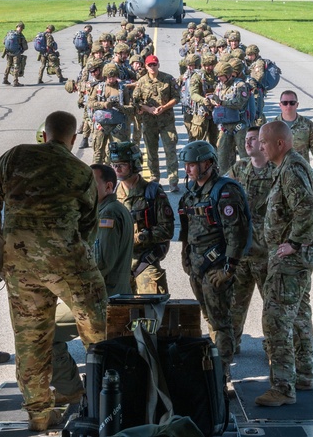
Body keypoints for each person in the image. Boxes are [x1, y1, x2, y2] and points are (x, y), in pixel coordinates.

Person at [0, 111, 107, 432]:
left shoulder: (14, 157)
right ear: (73, 140)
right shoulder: (80, 172)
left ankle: (38, 414)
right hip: (67, 261)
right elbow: (89, 229)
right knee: (98, 329)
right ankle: (107, 398)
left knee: (31, 338)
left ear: (44, 134)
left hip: (19, 264)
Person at [50, 164, 134, 404]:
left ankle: (70, 389)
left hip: (99, 298)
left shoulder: (108, 214)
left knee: (44, 330)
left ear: (108, 186)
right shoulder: (105, 210)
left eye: (90, 185)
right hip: (99, 296)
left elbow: (100, 262)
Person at [254, 121, 313, 407]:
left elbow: (305, 206)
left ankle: (283, 387)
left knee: (276, 319)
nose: (260, 146)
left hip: (291, 260)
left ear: (280, 143)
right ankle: (304, 375)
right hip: (298, 258)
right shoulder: (289, 166)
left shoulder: (292, 168)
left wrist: (293, 243)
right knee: (299, 316)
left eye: (264, 142)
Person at [177, 141, 251, 388]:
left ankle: (222, 374)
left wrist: (228, 269)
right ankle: (214, 367)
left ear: (208, 164)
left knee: (221, 322)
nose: (188, 170)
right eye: (187, 165)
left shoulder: (225, 192)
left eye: (193, 165)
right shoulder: (192, 194)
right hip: (197, 270)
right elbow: (187, 231)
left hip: (217, 268)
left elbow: (236, 233)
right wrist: (186, 259)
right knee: (209, 319)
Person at [224, 127, 276, 354]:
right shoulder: (239, 168)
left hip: (267, 254)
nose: (248, 143)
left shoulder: (277, 171)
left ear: (264, 143)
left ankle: (273, 348)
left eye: (253, 139)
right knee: (235, 303)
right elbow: (221, 190)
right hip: (242, 252)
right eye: (246, 139)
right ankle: (231, 344)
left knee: (272, 306)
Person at [111, 141, 174, 294]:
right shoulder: (111, 193)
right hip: (117, 263)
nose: (117, 169)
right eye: (114, 165)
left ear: (134, 164)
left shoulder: (152, 193)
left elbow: (167, 230)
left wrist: (140, 237)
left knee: (152, 306)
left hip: (144, 260)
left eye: (122, 164)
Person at [132, 55, 181, 192]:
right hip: (149, 122)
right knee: (151, 151)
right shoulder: (141, 82)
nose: (152, 67)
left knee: (170, 150)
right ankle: (154, 178)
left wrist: (164, 107)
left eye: (154, 65)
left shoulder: (168, 79)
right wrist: (148, 109)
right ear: (146, 67)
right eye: (149, 65)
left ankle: (173, 180)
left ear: (158, 65)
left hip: (166, 121)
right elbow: (135, 101)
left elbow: (177, 97)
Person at [89, 62, 134, 164]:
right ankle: (96, 177)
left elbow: (131, 107)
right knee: (98, 155)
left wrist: (121, 107)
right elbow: (91, 103)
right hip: (101, 126)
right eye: (109, 77)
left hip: (117, 126)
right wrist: (105, 105)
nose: (111, 79)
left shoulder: (123, 88)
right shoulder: (99, 88)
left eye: (113, 77)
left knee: (118, 155)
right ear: (105, 76)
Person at [211, 61, 250, 171]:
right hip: (224, 126)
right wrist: (211, 102)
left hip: (240, 126)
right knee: (222, 155)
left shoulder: (240, 86)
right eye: (218, 77)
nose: (219, 79)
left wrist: (222, 102)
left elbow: (239, 103)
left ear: (228, 74)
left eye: (221, 76)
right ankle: (225, 179)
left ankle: (246, 178)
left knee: (244, 155)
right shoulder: (219, 87)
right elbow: (216, 101)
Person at [274, 91, 313, 165]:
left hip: (301, 173)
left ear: (297, 105)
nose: (288, 106)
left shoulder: (308, 126)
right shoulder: (271, 127)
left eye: (292, 103)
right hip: (277, 173)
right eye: (285, 103)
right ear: (280, 105)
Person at [188, 53, 219, 145]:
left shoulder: (217, 75)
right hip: (202, 111)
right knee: (200, 139)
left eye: (211, 65)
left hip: (216, 110)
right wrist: (203, 100)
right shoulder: (197, 76)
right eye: (205, 65)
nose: (208, 68)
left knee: (216, 140)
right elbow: (193, 94)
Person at [2, 22, 27, 87]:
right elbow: (25, 46)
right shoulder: (20, 35)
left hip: (8, 52)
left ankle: (5, 79)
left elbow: (3, 42)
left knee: (8, 65)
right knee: (16, 66)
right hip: (16, 53)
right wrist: (21, 49)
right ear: (22, 28)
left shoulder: (9, 33)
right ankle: (15, 82)